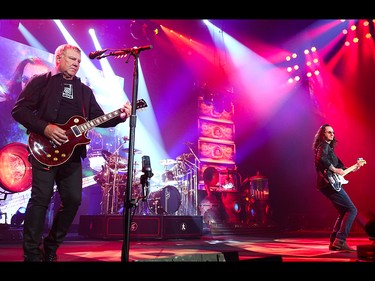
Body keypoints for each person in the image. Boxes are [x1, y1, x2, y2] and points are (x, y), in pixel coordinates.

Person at [11, 44, 132, 262]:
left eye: (79, 61)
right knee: (40, 199)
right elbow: (19, 110)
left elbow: (100, 118)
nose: (76, 63)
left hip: (72, 155)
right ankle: (31, 253)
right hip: (44, 149)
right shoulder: (41, 82)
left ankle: (51, 246)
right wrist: (45, 127)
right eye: (72, 59)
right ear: (58, 58)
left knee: (74, 199)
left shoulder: (85, 91)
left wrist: (121, 116)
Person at [312, 124, 360, 252]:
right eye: (329, 132)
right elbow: (321, 158)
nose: (332, 134)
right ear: (323, 134)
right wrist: (333, 169)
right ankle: (340, 240)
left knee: (344, 211)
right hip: (329, 183)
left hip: (328, 183)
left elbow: (342, 170)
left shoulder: (329, 149)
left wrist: (355, 167)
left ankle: (334, 241)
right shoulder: (323, 146)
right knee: (352, 210)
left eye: (333, 132)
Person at [0, 57, 53, 148]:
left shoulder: (54, 117)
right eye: (25, 80)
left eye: (36, 81)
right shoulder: (3, 110)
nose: (29, 85)